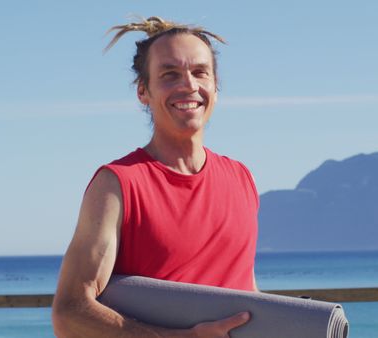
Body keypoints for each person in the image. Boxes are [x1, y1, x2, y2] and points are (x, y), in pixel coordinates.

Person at [52, 16, 259, 338]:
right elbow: (69, 313)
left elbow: (245, 293)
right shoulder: (117, 184)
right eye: (169, 74)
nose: (188, 85)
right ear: (143, 91)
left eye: (200, 72)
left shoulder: (241, 178)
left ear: (216, 87)